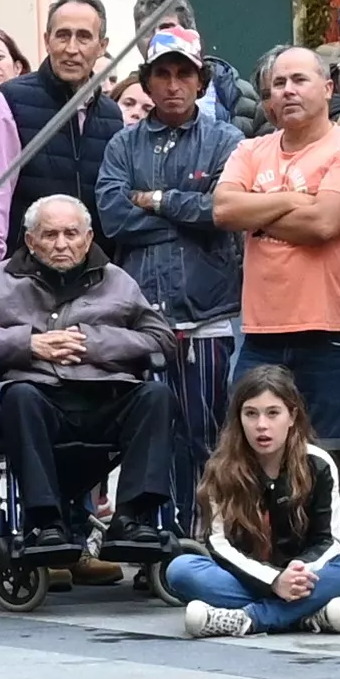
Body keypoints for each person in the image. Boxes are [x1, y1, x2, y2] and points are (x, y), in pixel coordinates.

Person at [214, 46, 340, 458]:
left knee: (329, 452)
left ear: (328, 89)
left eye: (299, 80)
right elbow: (222, 210)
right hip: (260, 331)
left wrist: (255, 209)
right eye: (278, 83)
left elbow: (323, 223)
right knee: (251, 450)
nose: (287, 91)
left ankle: (326, 526)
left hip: (333, 328)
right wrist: (296, 199)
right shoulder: (251, 150)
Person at [0, 191, 177, 554]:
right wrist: (29, 344)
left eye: (71, 234)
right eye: (50, 235)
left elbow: (161, 339)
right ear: (30, 240)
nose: (61, 244)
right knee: (19, 396)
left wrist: (94, 343)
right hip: (38, 400)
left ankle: (131, 518)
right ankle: (44, 524)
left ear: (88, 239)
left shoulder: (118, 281)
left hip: (109, 397)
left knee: (157, 396)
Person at [100, 32, 246, 467]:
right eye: (162, 74)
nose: (173, 84)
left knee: (206, 431)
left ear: (201, 81)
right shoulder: (122, 144)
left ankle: (203, 528)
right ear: (147, 83)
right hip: (142, 313)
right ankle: (153, 530)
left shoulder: (227, 140)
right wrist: (190, 217)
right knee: (148, 434)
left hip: (208, 314)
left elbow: (223, 212)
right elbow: (112, 216)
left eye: (184, 73)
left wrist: (158, 199)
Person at [169, 365, 340, 637]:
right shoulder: (222, 469)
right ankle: (306, 615)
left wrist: (296, 574)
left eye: (273, 413)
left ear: (292, 416)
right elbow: (220, 545)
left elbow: (329, 540)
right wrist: (274, 581)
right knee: (181, 570)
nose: (261, 425)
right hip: (248, 579)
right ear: (239, 419)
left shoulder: (319, 464)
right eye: (251, 414)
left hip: (305, 576)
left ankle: (249, 619)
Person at [0, 0, 123, 265]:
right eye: (62, 35)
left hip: (92, 275)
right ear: (47, 40)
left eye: (84, 37)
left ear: (101, 46)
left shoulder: (111, 115)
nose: (71, 48)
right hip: (23, 273)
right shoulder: (11, 101)